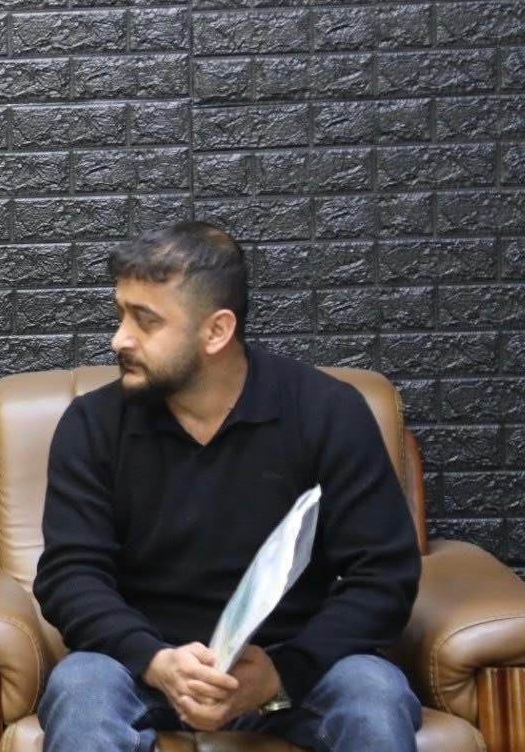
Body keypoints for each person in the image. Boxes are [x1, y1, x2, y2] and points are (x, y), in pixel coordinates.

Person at [33, 221, 422, 752]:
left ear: (216, 331)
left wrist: (283, 671)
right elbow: (70, 576)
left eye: (145, 320)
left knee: (374, 693)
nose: (119, 338)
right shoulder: (93, 424)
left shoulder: (327, 412)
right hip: (144, 666)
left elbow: (384, 575)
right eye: (121, 314)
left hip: (292, 666)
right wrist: (155, 660)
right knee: (80, 687)